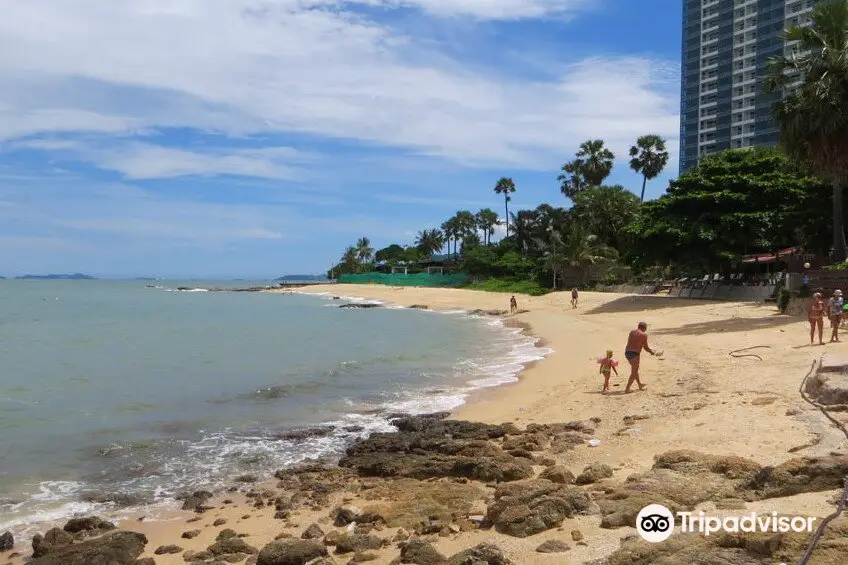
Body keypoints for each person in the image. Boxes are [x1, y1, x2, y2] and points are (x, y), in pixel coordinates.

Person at [624, 321, 657, 393]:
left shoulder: (632, 332)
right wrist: (652, 352)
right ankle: (627, 388)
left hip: (627, 352)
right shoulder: (643, 335)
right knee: (634, 371)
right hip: (634, 354)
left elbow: (633, 342)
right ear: (644, 328)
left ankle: (639, 384)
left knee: (634, 370)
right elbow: (645, 347)